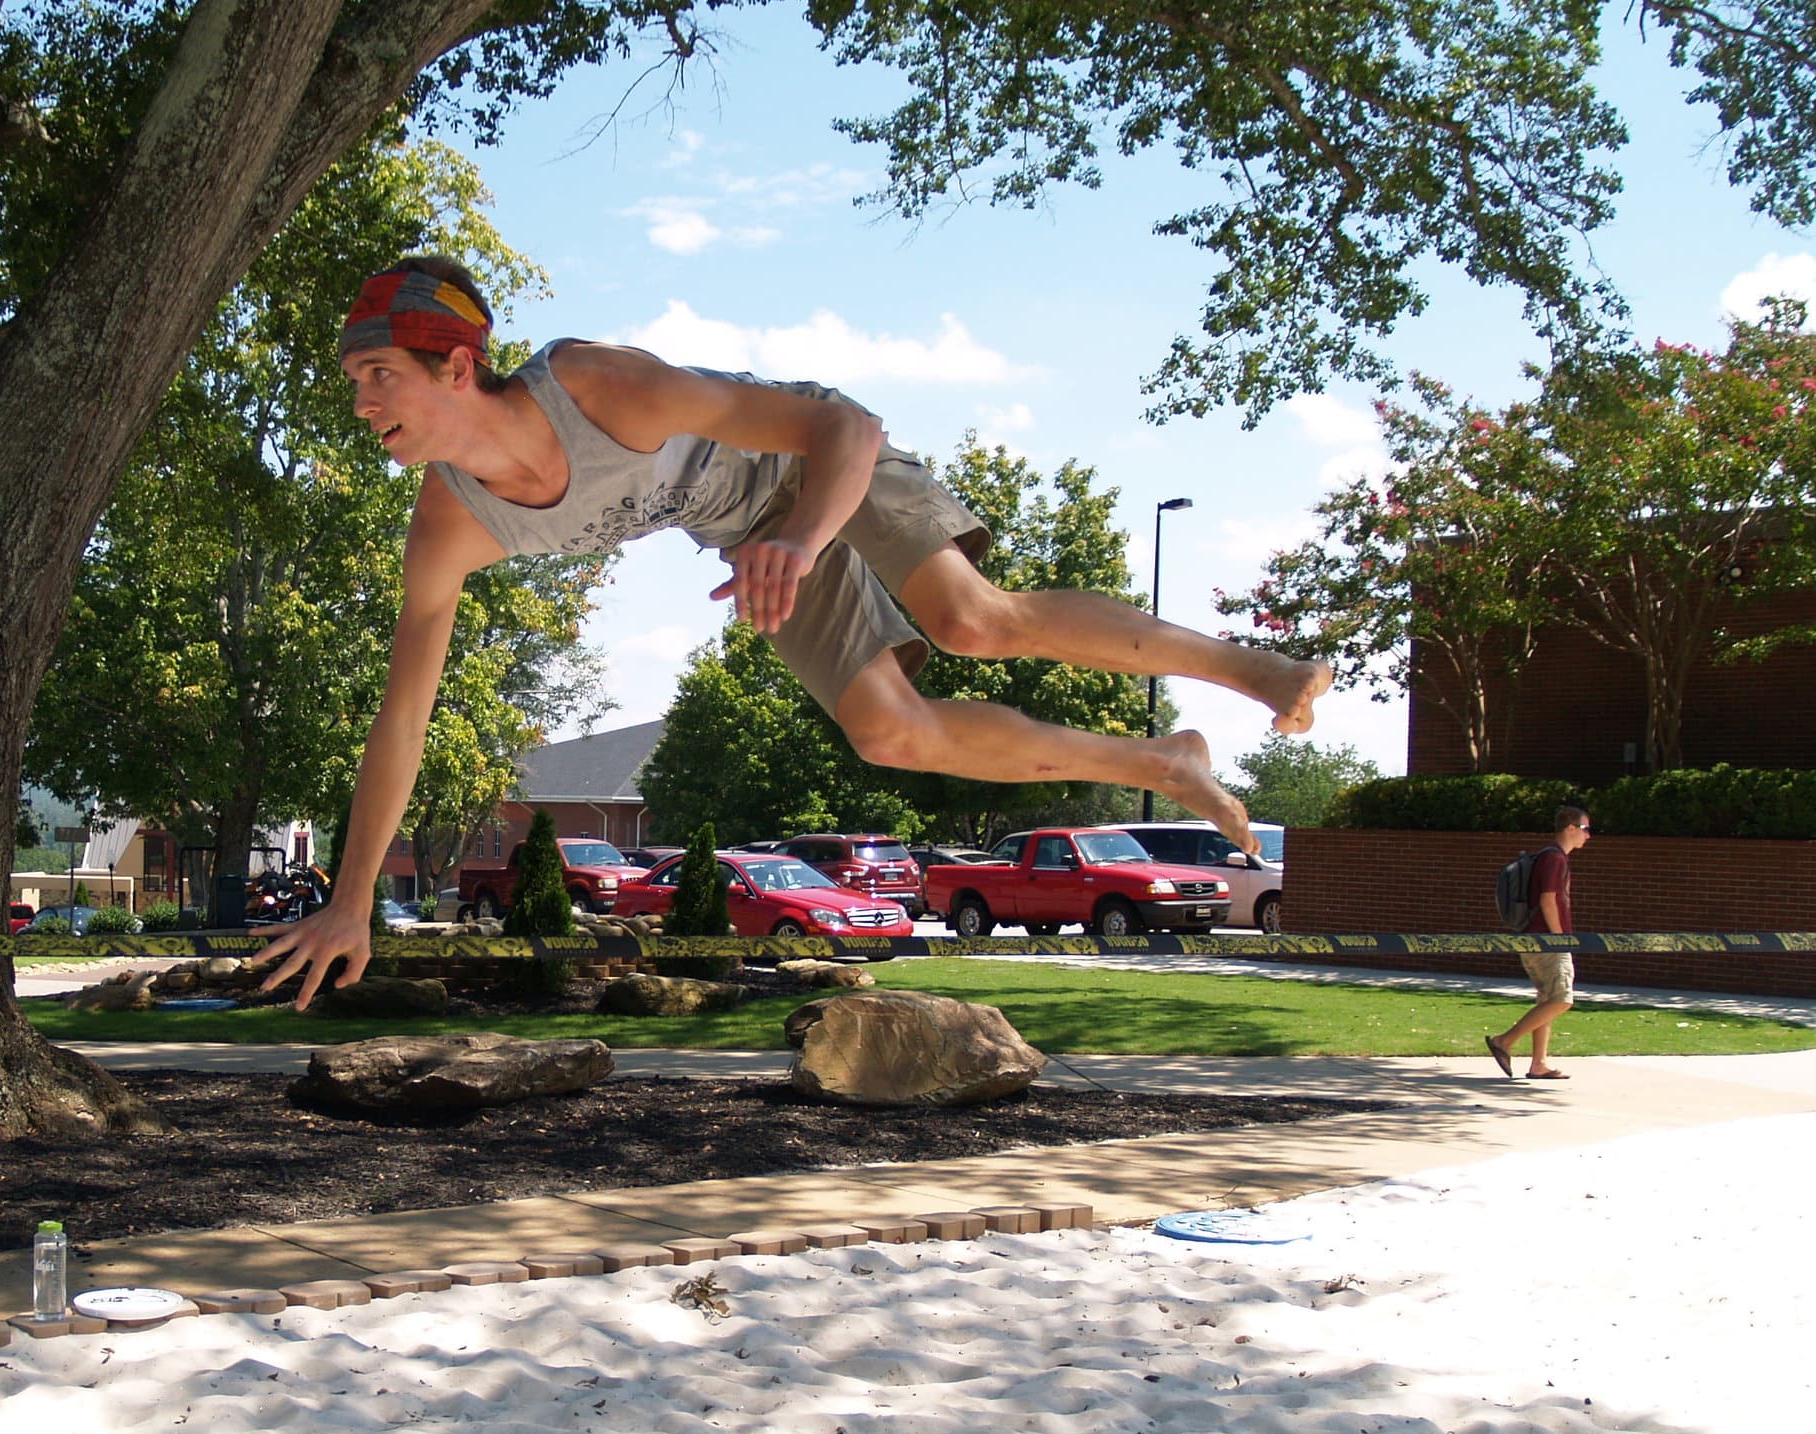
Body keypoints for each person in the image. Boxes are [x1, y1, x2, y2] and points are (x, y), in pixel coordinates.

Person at [256, 255, 1334, 1005]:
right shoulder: (450, 520)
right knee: (890, 733)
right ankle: (1164, 759)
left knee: (967, 619)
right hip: (754, 533)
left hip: (815, 472)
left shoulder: (594, 388)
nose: (361, 403)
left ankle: (1249, 666)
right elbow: (404, 717)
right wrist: (353, 904)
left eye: (378, 376)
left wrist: (805, 541)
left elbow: (844, 426)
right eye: (355, 382)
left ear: (455, 364)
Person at [1485, 804, 1593, 1081]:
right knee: (1561, 999)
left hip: (1533, 939)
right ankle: (1504, 1041)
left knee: (1547, 999)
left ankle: (1539, 1064)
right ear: (1570, 828)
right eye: (1585, 829)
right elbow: (1548, 900)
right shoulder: (1554, 859)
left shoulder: (1550, 857)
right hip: (1546, 940)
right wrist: (1559, 939)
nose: (1588, 836)